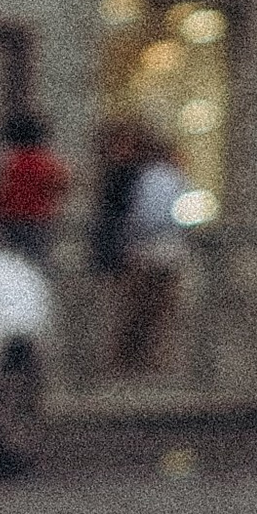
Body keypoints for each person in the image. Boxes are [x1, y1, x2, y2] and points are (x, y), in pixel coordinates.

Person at [94, 121, 193, 377]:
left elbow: (140, 216)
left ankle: (126, 363)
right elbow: (182, 216)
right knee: (160, 312)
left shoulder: (144, 177)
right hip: (168, 251)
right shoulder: (173, 179)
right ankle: (153, 362)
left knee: (134, 311)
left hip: (143, 250)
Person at [0, 109, 68, 254]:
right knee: (36, 256)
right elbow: (61, 185)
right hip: (40, 218)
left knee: (9, 255)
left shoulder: (7, 161)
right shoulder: (47, 162)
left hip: (9, 218)